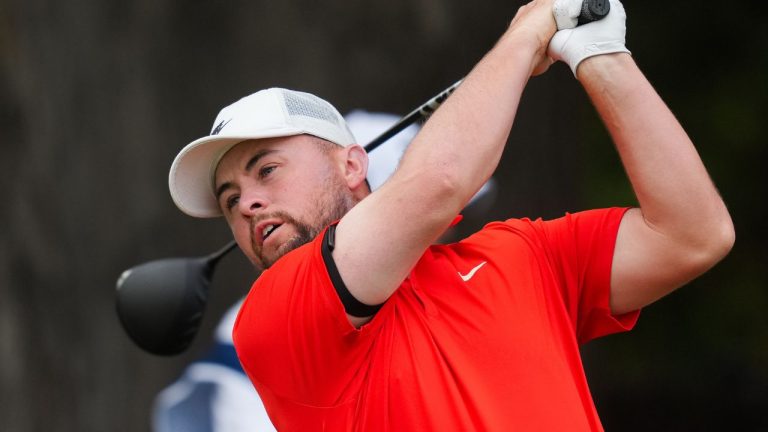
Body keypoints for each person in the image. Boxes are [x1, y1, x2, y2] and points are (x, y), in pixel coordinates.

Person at [166, 0, 735, 429]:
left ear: (352, 166)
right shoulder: (272, 318)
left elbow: (692, 234)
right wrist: (529, 31)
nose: (248, 203)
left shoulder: (521, 254)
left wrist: (598, 53)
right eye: (229, 199)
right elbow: (441, 182)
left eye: (266, 170)